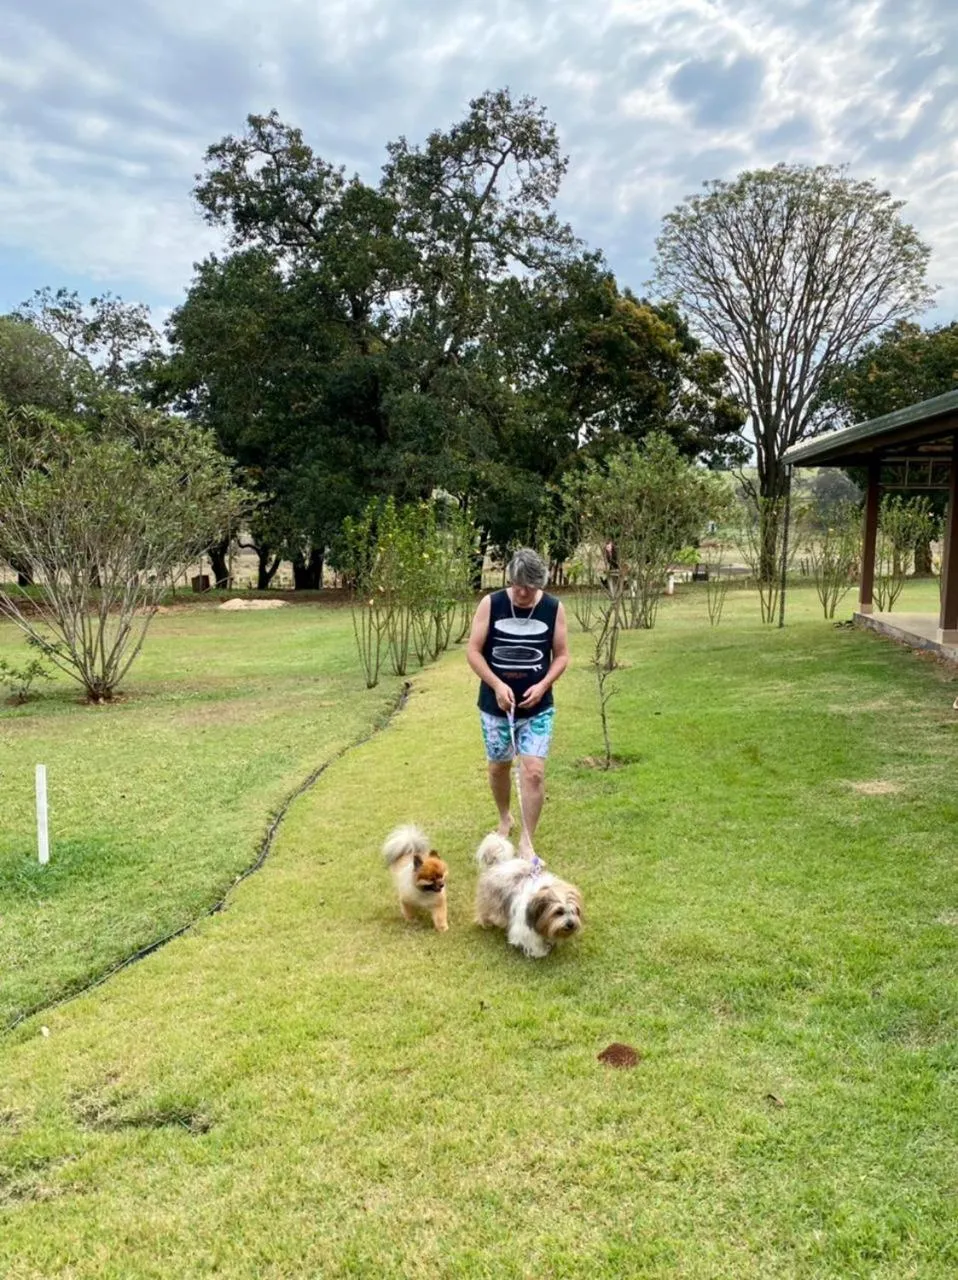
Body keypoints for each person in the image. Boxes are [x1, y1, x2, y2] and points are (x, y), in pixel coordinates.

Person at [466, 548, 569, 857]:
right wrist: (497, 685)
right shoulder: (492, 604)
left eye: (531, 586)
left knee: (534, 771)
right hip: (495, 707)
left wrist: (543, 685)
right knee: (499, 767)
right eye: (517, 584)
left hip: (538, 707)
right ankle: (504, 817)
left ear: (540, 583)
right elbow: (473, 651)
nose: (523, 592)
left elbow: (562, 655)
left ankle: (527, 839)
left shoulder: (553, 608)